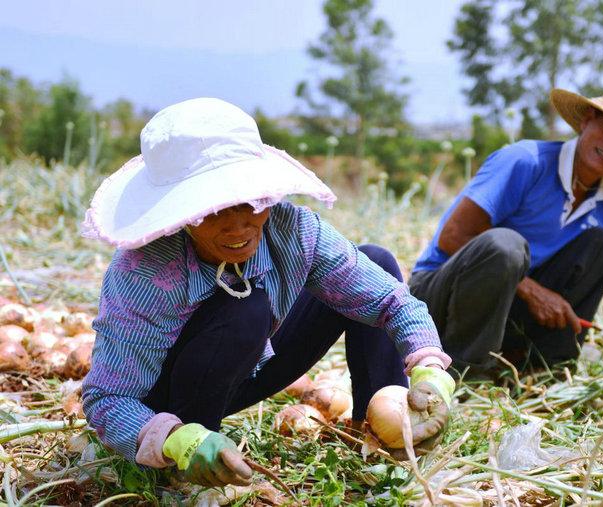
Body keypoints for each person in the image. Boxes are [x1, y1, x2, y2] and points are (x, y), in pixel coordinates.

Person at [80, 98, 455, 487]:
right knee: (246, 309)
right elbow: (107, 399)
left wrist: (429, 367)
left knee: (376, 260)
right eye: (211, 210)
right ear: (181, 215)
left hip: (248, 367)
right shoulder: (146, 271)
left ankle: (385, 434)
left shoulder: (293, 230)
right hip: (169, 408)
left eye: (249, 202)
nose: (238, 225)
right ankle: (193, 467)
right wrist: (176, 441)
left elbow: (391, 301)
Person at [409, 78, 603, 379]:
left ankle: (545, 370)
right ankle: (465, 375)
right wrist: (533, 291)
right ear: (588, 121)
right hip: (438, 302)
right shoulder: (526, 163)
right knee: (505, 245)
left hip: (503, 313)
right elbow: (453, 236)